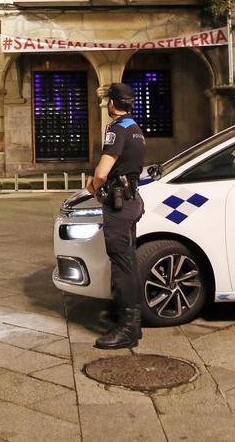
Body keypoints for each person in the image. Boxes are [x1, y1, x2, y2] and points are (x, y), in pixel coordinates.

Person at [85, 82, 146, 350]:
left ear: (111, 103)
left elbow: (102, 172)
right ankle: (131, 321)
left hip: (119, 205)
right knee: (128, 261)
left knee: (121, 264)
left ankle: (128, 328)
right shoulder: (136, 130)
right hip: (132, 200)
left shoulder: (117, 129)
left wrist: (93, 185)